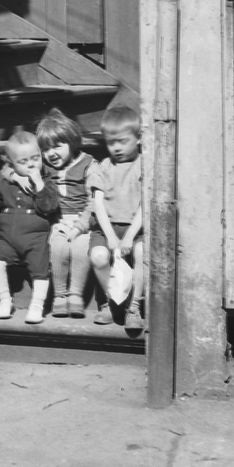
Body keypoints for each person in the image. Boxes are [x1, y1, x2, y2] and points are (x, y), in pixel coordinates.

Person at [0, 131, 60, 323]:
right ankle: (4, 299)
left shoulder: (47, 182)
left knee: (40, 269)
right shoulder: (7, 182)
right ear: (11, 164)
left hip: (35, 237)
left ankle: (37, 305)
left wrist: (39, 184)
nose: (31, 164)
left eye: (35, 158)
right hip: (7, 237)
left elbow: (48, 207)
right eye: (23, 161)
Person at [36, 107, 99, 318]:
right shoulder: (44, 166)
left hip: (85, 221)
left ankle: (76, 295)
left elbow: (94, 201)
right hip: (58, 221)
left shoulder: (89, 164)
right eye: (45, 149)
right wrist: (15, 176)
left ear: (71, 142)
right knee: (58, 246)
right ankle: (59, 295)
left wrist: (80, 226)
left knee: (81, 247)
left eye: (57, 146)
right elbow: (14, 165)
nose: (51, 153)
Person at [89, 106, 144, 330]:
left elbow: (145, 205)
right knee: (99, 256)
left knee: (142, 253)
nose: (116, 148)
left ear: (138, 138)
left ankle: (134, 306)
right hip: (107, 229)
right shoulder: (103, 166)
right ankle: (112, 302)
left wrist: (129, 237)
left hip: (136, 229)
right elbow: (98, 204)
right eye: (111, 143)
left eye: (122, 141)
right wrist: (111, 238)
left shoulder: (144, 165)